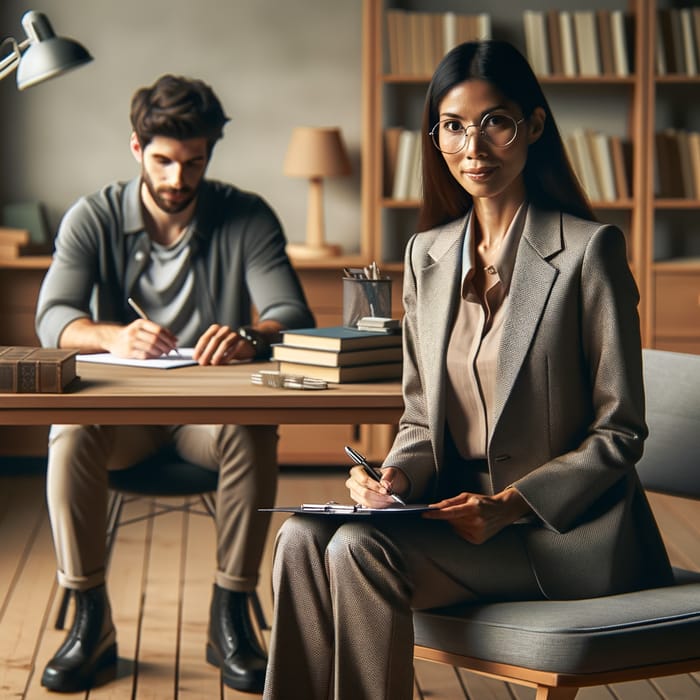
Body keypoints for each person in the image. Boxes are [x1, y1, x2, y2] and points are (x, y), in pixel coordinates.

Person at [262, 40, 673, 700]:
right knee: (299, 538)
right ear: (435, 135)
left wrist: (508, 506)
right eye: (453, 126)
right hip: (449, 514)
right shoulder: (427, 254)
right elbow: (422, 419)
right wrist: (394, 473)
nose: (473, 148)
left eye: (495, 123)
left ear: (533, 127)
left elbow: (619, 432)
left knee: (356, 552)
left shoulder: (590, 252)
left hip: (559, 535)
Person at [35, 74, 315, 694]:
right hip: (123, 422)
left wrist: (251, 335)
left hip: (205, 425)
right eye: (162, 160)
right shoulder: (93, 216)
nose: (177, 179)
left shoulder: (245, 214)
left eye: (194, 162)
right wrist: (110, 335)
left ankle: (231, 617)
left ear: (211, 152)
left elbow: (291, 315)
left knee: (251, 424)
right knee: (70, 427)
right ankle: (89, 620)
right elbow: (53, 317)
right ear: (136, 148)